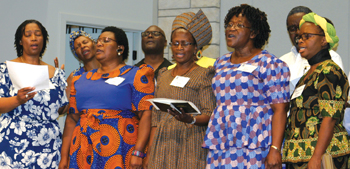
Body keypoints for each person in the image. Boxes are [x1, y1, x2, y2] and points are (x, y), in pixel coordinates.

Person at [203, 4, 290, 168]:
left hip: (256, 144)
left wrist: (275, 149)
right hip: (223, 142)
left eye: (239, 25)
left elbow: (280, 110)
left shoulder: (270, 64)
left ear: (253, 32)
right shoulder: (220, 63)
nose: (231, 29)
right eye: (229, 25)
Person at [60, 26, 154, 169]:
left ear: (120, 49)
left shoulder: (136, 74)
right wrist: (64, 157)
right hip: (83, 148)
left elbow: (147, 114)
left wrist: (138, 152)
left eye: (106, 41)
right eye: (98, 41)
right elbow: (72, 120)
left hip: (119, 148)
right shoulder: (79, 79)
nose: (99, 44)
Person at [147, 9, 216, 169]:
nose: (179, 48)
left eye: (185, 44)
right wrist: (150, 152)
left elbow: (209, 113)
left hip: (190, 139)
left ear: (195, 47)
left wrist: (190, 119)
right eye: (175, 43)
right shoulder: (163, 74)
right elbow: (156, 119)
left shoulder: (204, 74)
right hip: (163, 142)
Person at [282, 12, 350, 169]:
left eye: (307, 36)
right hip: (300, 157)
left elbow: (330, 118)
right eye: (299, 36)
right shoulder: (309, 73)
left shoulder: (330, 71)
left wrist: (316, 157)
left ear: (324, 40)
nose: (300, 40)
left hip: (323, 158)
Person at [0, 19, 68, 168]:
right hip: (13, 141)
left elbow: (61, 110)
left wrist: (69, 88)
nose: (34, 38)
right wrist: (17, 100)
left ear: (44, 40)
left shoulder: (55, 73)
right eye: (28, 34)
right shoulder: (5, 69)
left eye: (38, 34)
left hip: (48, 145)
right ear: (20, 41)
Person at [58, 30, 100, 168]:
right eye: (77, 46)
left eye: (85, 42)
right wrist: (57, 87)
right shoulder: (75, 77)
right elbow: (64, 111)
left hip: (111, 133)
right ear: (77, 55)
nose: (82, 46)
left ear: (94, 44)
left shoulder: (111, 70)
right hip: (83, 138)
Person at [280, 6, 343, 94]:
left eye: (306, 34)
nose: (298, 33)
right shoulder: (282, 62)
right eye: (293, 29)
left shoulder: (332, 59)